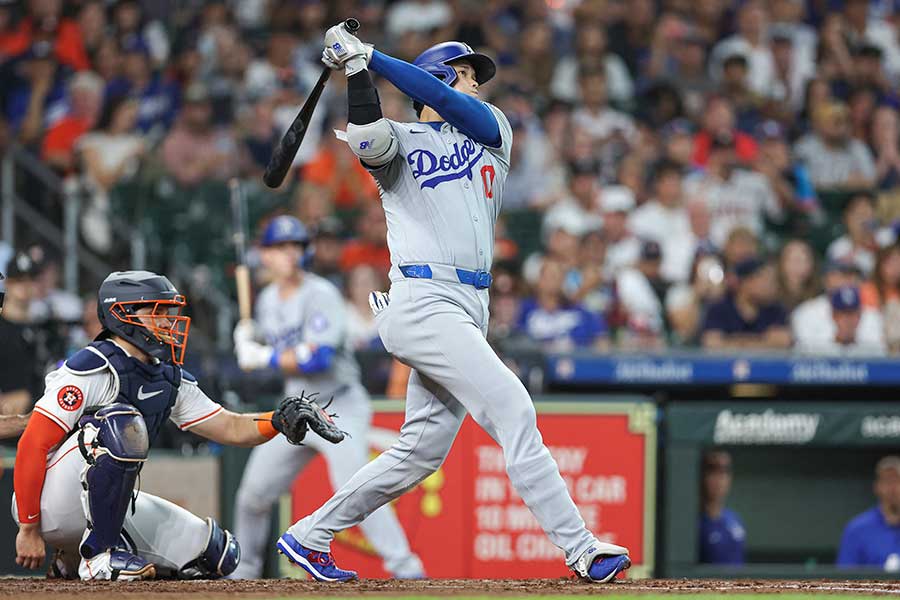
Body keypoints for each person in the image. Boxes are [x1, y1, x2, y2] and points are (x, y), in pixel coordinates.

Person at [273, 31, 631, 583]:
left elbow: (450, 105)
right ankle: (581, 548)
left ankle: (310, 535)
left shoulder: (494, 132)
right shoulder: (399, 138)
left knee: (420, 452)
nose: (476, 85)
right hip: (423, 299)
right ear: (442, 76)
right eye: (466, 73)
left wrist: (372, 57)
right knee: (513, 408)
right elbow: (368, 135)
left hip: (469, 305)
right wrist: (357, 72)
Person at [12, 270, 338, 580]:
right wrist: (28, 529)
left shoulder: (165, 376)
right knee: (119, 422)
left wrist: (278, 420)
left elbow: (229, 426)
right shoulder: (92, 367)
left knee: (216, 555)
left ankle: (72, 558)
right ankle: (98, 556)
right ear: (123, 314)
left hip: (99, 511)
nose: (169, 321)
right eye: (158, 311)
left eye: (169, 312)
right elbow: (33, 443)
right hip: (46, 503)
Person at [230, 216, 423, 580]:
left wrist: (262, 357)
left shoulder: (322, 294)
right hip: (295, 410)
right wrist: (249, 342)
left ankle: (407, 570)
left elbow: (318, 357)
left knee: (356, 490)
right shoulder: (268, 301)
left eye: (297, 247)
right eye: (282, 247)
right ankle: (244, 576)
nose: (292, 254)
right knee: (252, 494)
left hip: (339, 406)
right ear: (266, 255)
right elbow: (275, 358)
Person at [701, 256, 791, 350]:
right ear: (745, 282)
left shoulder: (776, 310)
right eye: (764, 279)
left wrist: (732, 342)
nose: (770, 285)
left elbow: (783, 341)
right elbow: (712, 343)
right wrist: (764, 341)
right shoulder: (718, 309)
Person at [837, 456, 900, 569]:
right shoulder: (857, 529)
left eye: (897, 481)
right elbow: (844, 579)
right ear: (876, 487)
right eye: (887, 481)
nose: (892, 488)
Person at [794, 285, 886, 355]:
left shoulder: (872, 350)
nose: (848, 320)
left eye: (852, 314)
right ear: (833, 316)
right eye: (842, 314)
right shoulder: (816, 349)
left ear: (860, 316)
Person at [699, 450, 746, 565]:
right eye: (712, 471)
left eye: (725, 471)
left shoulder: (735, 519)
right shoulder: (695, 524)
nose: (719, 479)